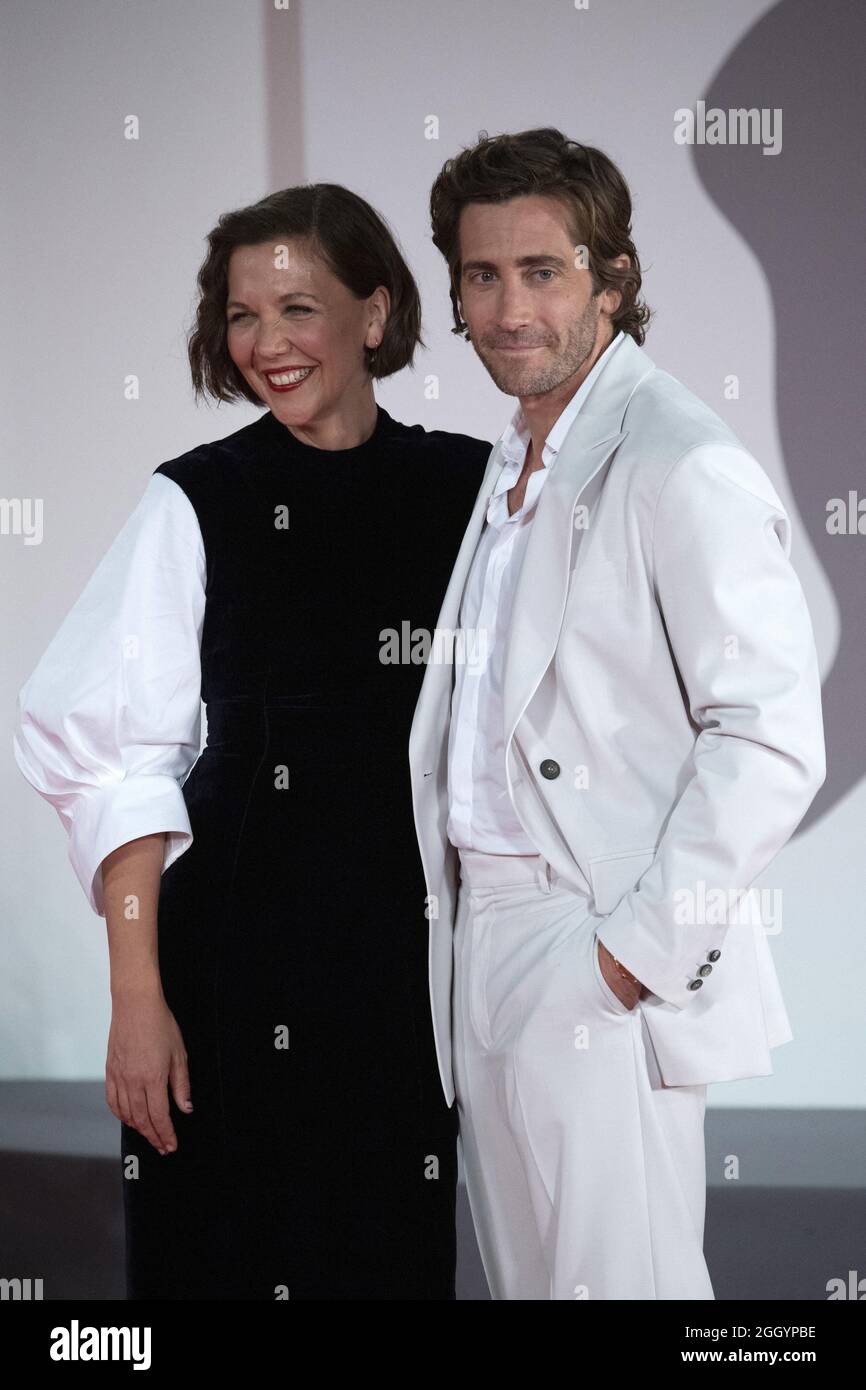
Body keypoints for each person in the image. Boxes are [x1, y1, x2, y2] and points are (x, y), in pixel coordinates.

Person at [13, 182, 492, 1300]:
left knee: (382, 1257)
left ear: (374, 315)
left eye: (297, 308)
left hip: (402, 968)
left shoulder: (470, 490)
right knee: (218, 1256)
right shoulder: (197, 500)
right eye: (241, 315)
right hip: (229, 955)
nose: (265, 343)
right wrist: (138, 1001)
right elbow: (111, 759)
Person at [408, 127, 827, 1299]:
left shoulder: (679, 458)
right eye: (480, 276)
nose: (506, 308)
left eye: (540, 271)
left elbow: (767, 737)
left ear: (613, 276)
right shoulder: (514, 460)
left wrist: (625, 957)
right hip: (480, 936)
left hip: (587, 940)